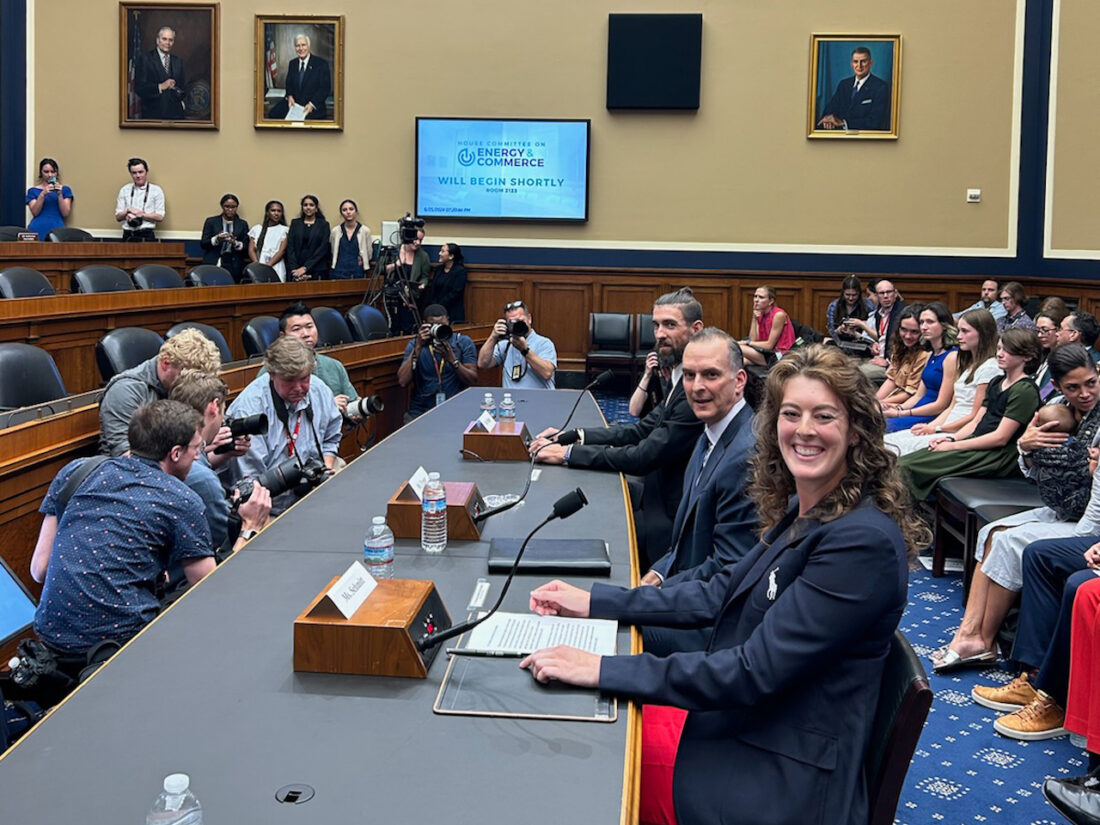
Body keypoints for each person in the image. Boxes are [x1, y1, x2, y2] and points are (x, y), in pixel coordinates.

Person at [520, 345, 929, 825]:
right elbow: (719, 591)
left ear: (857, 430)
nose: (804, 430)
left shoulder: (860, 543)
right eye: (791, 414)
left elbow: (752, 671)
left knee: (581, 763)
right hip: (750, 727)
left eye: (824, 416)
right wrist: (597, 601)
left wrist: (604, 668)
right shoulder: (813, 508)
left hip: (774, 778)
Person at [29, 401, 269, 658]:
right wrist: (249, 528)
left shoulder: (76, 471)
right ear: (175, 453)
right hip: (120, 651)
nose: (199, 455)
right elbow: (211, 591)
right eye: (196, 448)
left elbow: (39, 570)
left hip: (49, 641)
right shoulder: (181, 500)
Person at [929, 344, 1100, 672]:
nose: (1085, 393)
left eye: (1091, 383)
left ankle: (982, 640)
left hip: (1086, 516)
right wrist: (1026, 448)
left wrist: (1077, 465)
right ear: (1059, 386)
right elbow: (1037, 470)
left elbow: (1083, 478)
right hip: (1060, 506)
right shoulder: (1054, 410)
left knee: (1008, 542)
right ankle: (970, 633)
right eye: (1073, 387)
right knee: (992, 532)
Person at [530, 289, 704, 568]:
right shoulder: (678, 376)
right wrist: (573, 435)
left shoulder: (695, 389)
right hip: (656, 491)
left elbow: (643, 455)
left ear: (696, 330)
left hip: (672, 514)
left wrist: (567, 455)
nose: (659, 334)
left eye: (670, 325)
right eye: (656, 325)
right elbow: (638, 430)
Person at [635, 328, 758, 655]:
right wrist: (660, 573)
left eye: (711, 375)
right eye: (689, 375)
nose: (698, 387)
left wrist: (652, 596)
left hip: (717, 629)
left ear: (740, 380)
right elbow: (686, 541)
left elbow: (727, 568)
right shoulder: (712, 434)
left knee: (615, 631)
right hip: (689, 594)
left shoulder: (746, 454)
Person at [899, 328, 1042, 503]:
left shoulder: (1024, 390)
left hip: (998, 454)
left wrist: (954, 447)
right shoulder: (997, 382)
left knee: (907, 467)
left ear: (1026, 356)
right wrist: (952, 439)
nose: (1000, 354)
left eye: (1007, 350)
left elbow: (1000, 438)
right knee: (908, 459)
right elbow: (977, 421)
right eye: (998, 349)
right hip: (979, 442)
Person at [227, 335, 342, 514]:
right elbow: (250, 484)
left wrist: (325, 468)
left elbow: (331, 438)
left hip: (312, 493)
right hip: (268, 507)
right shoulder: (249, 410)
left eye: (304, 379)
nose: (298, 388)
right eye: (289, 380)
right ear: (271, 374)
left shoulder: (319, 390)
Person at [168, 370, 268, 552]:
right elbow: (227, 539)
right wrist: (251, 519)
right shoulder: (203, 479)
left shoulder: (166, 447)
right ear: (214, 407)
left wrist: (222, 455)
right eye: (223, 411)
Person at [886, 308, 1000, 456]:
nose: (959, 337)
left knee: (892, 448)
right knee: (887, 441)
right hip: (944, 424)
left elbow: (974, 416)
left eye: (965, 331)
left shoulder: (989, 367)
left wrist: (936, 430)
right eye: (959, 331)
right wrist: (930, 427)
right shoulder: (968, 363)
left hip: (957, 430)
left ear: (982, 333)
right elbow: (952, 406)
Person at [98, 329, 221, 456]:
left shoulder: (188, 387)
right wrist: (199, 445)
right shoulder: (124, 391)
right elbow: (128, 458)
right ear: (166, 363)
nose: (193, 384)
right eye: (185, 376)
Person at [261, 301, 360, 418]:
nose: (306, 334)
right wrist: (327, 406)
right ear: (282, 336)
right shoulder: (271, 371)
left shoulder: (334, 365)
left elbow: (352, 402)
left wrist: (356, 411)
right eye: (297, 329)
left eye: (309, 327)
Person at [882, 302, 958, 432]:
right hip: (917, 407)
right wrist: (898, 408)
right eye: (922, 322)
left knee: (879, 428)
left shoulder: (952, 356)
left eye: (930, 322)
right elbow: (918, 396)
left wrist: (901, 413)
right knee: (870, 420)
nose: (924, 327)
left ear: (944, 326)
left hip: (931, 414)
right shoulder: (931, 354)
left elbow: (941, 405)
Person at [397, 304, 477, 422]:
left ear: (448, 321)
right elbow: (403, 381)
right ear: (424, 324)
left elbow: (472, 379)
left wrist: (453, 360)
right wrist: (418, 347)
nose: (439, 329)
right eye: (434, 326)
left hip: (456, 408)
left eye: (443, 325)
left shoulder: (462, 342)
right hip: (421, 410)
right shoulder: (416, 344)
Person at [477, 299, 557, 389]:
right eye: (512, 322)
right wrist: (493, 337)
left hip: (538, 400)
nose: (517, 325)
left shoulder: (544, 343)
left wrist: (525, 350)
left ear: (529, 319)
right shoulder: (505, 345)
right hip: (511, 401)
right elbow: (482, 363)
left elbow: (547, 373)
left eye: (520, 321)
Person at [817, 46, 892, 131]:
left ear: (871, 63)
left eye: (863, 61)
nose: (859, 66)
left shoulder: (881, 87)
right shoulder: (844, 84)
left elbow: (875, 121)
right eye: (855, 62)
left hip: (865, 140)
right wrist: (828, 120)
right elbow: (830, 109)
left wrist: (844, 123)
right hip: (840, 138)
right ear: (852, 64)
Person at [848, 279, 906, 381]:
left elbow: (905, 343)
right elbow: (883, 337)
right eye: (881, 293)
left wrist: (888, 361)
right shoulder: (879, 313)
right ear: (877, 295)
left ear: (895, 294)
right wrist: (876, 344)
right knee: (846, 366)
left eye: (889, 292)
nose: (885, 296)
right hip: (878, 357)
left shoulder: (902, 313)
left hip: (894, 365)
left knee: (853, 374)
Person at [873, 306, 929, 407]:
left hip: (910, 403)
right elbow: (891, 380)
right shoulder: (899, 345)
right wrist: (875, 401)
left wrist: (881, 403)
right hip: (893, 397)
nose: (907, 336)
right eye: (903, 330)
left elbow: (911, 393)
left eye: (914, 332)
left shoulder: (924, 355)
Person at [268, 34, 331, 120]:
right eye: (297, 46)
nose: (301, 49)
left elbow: (325, 89)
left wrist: (312, 104)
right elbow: (289, 84)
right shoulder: (292, 64)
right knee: (272, 115)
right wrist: (290, 96)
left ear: (308, 46)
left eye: (303, 45)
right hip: (294, 106)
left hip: (312, 107)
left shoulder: (321, 64)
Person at [385, 227, 432, 334]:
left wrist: (422, 285)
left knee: (408, 326)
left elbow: (425, 276)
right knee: (392, 326)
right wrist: (395, 265)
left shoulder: (423, 256)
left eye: (421, 240)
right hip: (392, 297)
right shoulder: (393, 251)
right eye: (415, 239)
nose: (418, 243)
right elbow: (380, 269)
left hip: (410, 297)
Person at [134, 26, 186, 120]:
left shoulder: (178, 61)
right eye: (164, 39)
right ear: (158, 40)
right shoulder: (145, 59)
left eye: (171, 40)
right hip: (153, 115)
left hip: (176, 116)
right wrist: (160, 86)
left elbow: (183, 87)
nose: (167, 43)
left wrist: (182, 104)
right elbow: (139, 88)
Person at [738, 285, 795, 367]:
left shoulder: (779, 315)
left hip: (781, 355)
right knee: (741, 361)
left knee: (736, 347)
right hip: (766, 352)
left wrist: (746, 343)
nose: (756, 300)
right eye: (755, 296)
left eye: (761, 297)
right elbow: (753, 339)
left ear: (771, 301)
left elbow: (769, 345)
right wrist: (754, 318)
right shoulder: (761, 313)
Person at [200, 194, 250, 282]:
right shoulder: (211, 222)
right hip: (214, 261)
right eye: (227, 206)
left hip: (234, 264)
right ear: (222, 206)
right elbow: (204, 244)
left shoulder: (242, 224)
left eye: (233, 207)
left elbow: (246, 247)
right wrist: (216, 239)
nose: (230, 210)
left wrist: (235, 242)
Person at [114, 157, 164, 241]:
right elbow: (118, 217)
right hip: (127, 234)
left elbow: (160, 217)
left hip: (146, 234)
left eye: (140, 172)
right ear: (130, 173)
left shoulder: (156, 190)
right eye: (134, 173)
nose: (138, 176)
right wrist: (128, 211)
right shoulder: (124, 190)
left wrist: (142, 215)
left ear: (146, 172)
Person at [25, 157, 73, 240]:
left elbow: (65, 213)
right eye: (46, 172)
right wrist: (42, 194)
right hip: (37, 228)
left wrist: (60, 194)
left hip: (57, 228)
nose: (49, 175)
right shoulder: (33, 191)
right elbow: (35, 212)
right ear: (41, 172)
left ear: (56, 173)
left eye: (53, 172)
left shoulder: (65, 190)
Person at [286, 195, 330, 281]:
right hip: (296, 269)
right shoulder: (295, 223)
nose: (308, 207)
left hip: (317, 268)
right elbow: (290, 247)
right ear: (302, 208)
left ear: (316, 208)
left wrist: (305, 268)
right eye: (305, 205)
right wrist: (295, 269)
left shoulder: (323, 225)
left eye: (311, 205)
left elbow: (323, 248)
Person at [329, 199, 372, 279]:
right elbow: (332, 250)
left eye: (351, 209)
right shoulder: (335, 231)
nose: (348, 212)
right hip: (339, 271)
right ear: (341, 213)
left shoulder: (365, 231)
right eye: (344, 210)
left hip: (358, 271)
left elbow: (369, 253)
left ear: (356, 212)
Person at [248, 199, 289, 281]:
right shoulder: (257, 229)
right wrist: (258, 265)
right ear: (267, 212)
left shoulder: (285, 230)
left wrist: (267, 266)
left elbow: (282, 251)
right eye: (273, 210)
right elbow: (251, 250)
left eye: (279, 211)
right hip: (259, 265)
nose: (276, 213)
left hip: (277, 265)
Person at [428, 243, 468, 323]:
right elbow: (433, 289)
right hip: (436, 311)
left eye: (442, 251)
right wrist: (435, 306)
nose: (439, 253)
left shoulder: (460, 271)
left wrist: (441, 305)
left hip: (453, 311)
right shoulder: (438, 270)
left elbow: (456, 292)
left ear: (451, 256)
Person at [1035, 309, 1068, 401]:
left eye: (1045, 330)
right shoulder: (1042, 355)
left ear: (1058, 330)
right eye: (1037, 330)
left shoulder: (1064, 359)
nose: (1039, 335)